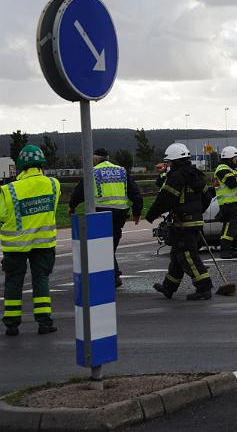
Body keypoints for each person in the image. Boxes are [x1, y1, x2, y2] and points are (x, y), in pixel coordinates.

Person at [0, 146, 60, 336]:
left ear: (21, 167)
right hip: (43, 244)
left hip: (15, 246)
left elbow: (2, 216)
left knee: (13, 282)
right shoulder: (53, 184)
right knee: (41, 280)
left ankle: (11, 324)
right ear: (41, 164)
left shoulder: (8, 190)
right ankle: (44, 323)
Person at [146, 143, 215, 300]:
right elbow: (208, 197)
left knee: (187, 255)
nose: (168, 165)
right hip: (194, 221)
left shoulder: (176, 177)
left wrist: (150, 215)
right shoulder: (196, 174)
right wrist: (197, 212)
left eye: (169, 162)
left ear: (175, 161)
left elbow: (165, 199)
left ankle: (204, 287)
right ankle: (168, 288)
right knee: (177, 255)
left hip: (183, 223)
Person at [69, 148, 143, 287]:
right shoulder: (121, 170)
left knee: (103, 247)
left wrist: (72, 206)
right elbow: (135, 192)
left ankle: (112, 276)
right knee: (110, 245)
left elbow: (80, 191)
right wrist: (137, 211)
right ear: (107, 157)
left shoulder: (93, 171)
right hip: (119, 214)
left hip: (100, 213)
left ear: (96, 158)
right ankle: (112, 276)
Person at [214, 146, 237, 258]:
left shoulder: (229, 168)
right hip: (227, 203)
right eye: (235, 158)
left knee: (229, 227)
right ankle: (225, 250)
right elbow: (232, 183)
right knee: (229, 226)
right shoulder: (222, 168)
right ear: (230, 157)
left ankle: (227, 249)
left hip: (231, 202)